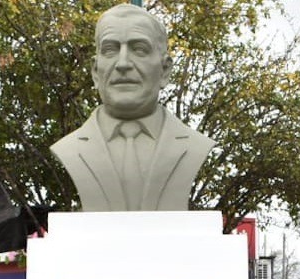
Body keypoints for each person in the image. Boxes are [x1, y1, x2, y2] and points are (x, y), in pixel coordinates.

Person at [50, 3, 214, 212]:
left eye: (139, 49)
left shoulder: (194, 145)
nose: (123, 63)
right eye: (110, 50)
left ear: (164, 71)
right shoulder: (70, 148)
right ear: (95, 72)